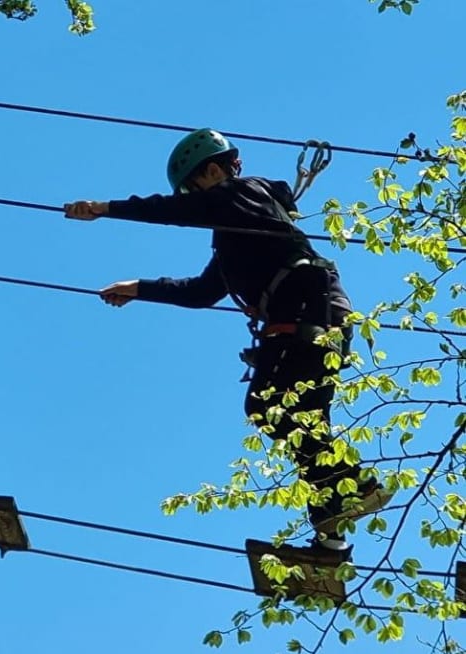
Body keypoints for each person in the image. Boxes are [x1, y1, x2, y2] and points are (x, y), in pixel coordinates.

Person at [64, 128, 390, 555]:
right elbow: (200, 292)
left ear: (213, 171)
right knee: (306, 427)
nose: (196, 200)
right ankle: (331, 536)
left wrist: (104, 209)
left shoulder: (239, 193)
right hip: (318, 317)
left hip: (306, 315)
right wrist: (138, 288)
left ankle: (359, 486)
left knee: (268, 408)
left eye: (195, 188)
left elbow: (173, 211)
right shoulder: (238, 236)